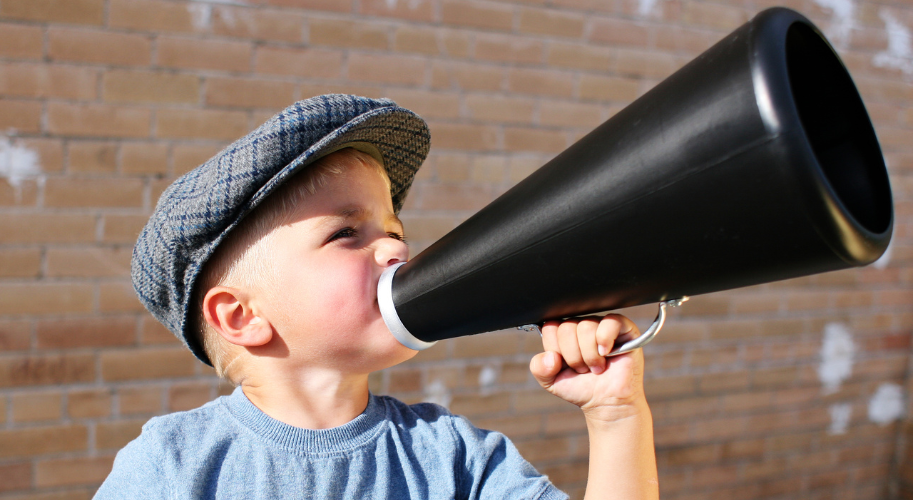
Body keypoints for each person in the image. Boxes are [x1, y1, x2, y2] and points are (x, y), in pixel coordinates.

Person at [97, 94, 658, 499]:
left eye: (393, 229)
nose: (395, 250)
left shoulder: (451, 457)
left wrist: (616, 414)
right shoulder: (173, 466)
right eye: (346, 233)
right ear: (242, 316)